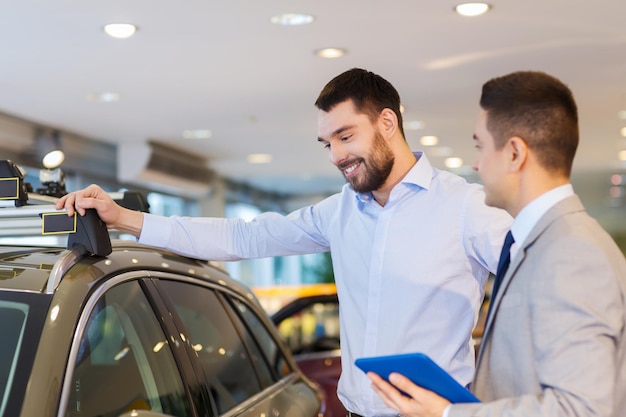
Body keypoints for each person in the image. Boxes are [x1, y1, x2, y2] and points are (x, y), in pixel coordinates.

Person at [57, 68, 512, 416]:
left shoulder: (466, 207)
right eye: (326, 143)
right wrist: (126, 219)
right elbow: (244, 235)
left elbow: (539, 290)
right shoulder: (341, 212)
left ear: (388, 122)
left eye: (346, 136)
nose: (336, 156)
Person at [368, 70, 626, 417]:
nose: (476, 163)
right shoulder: (544, 241)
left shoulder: (571, 252)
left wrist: (447, 414)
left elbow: (581, 409)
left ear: (515, 153)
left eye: (481, 146)